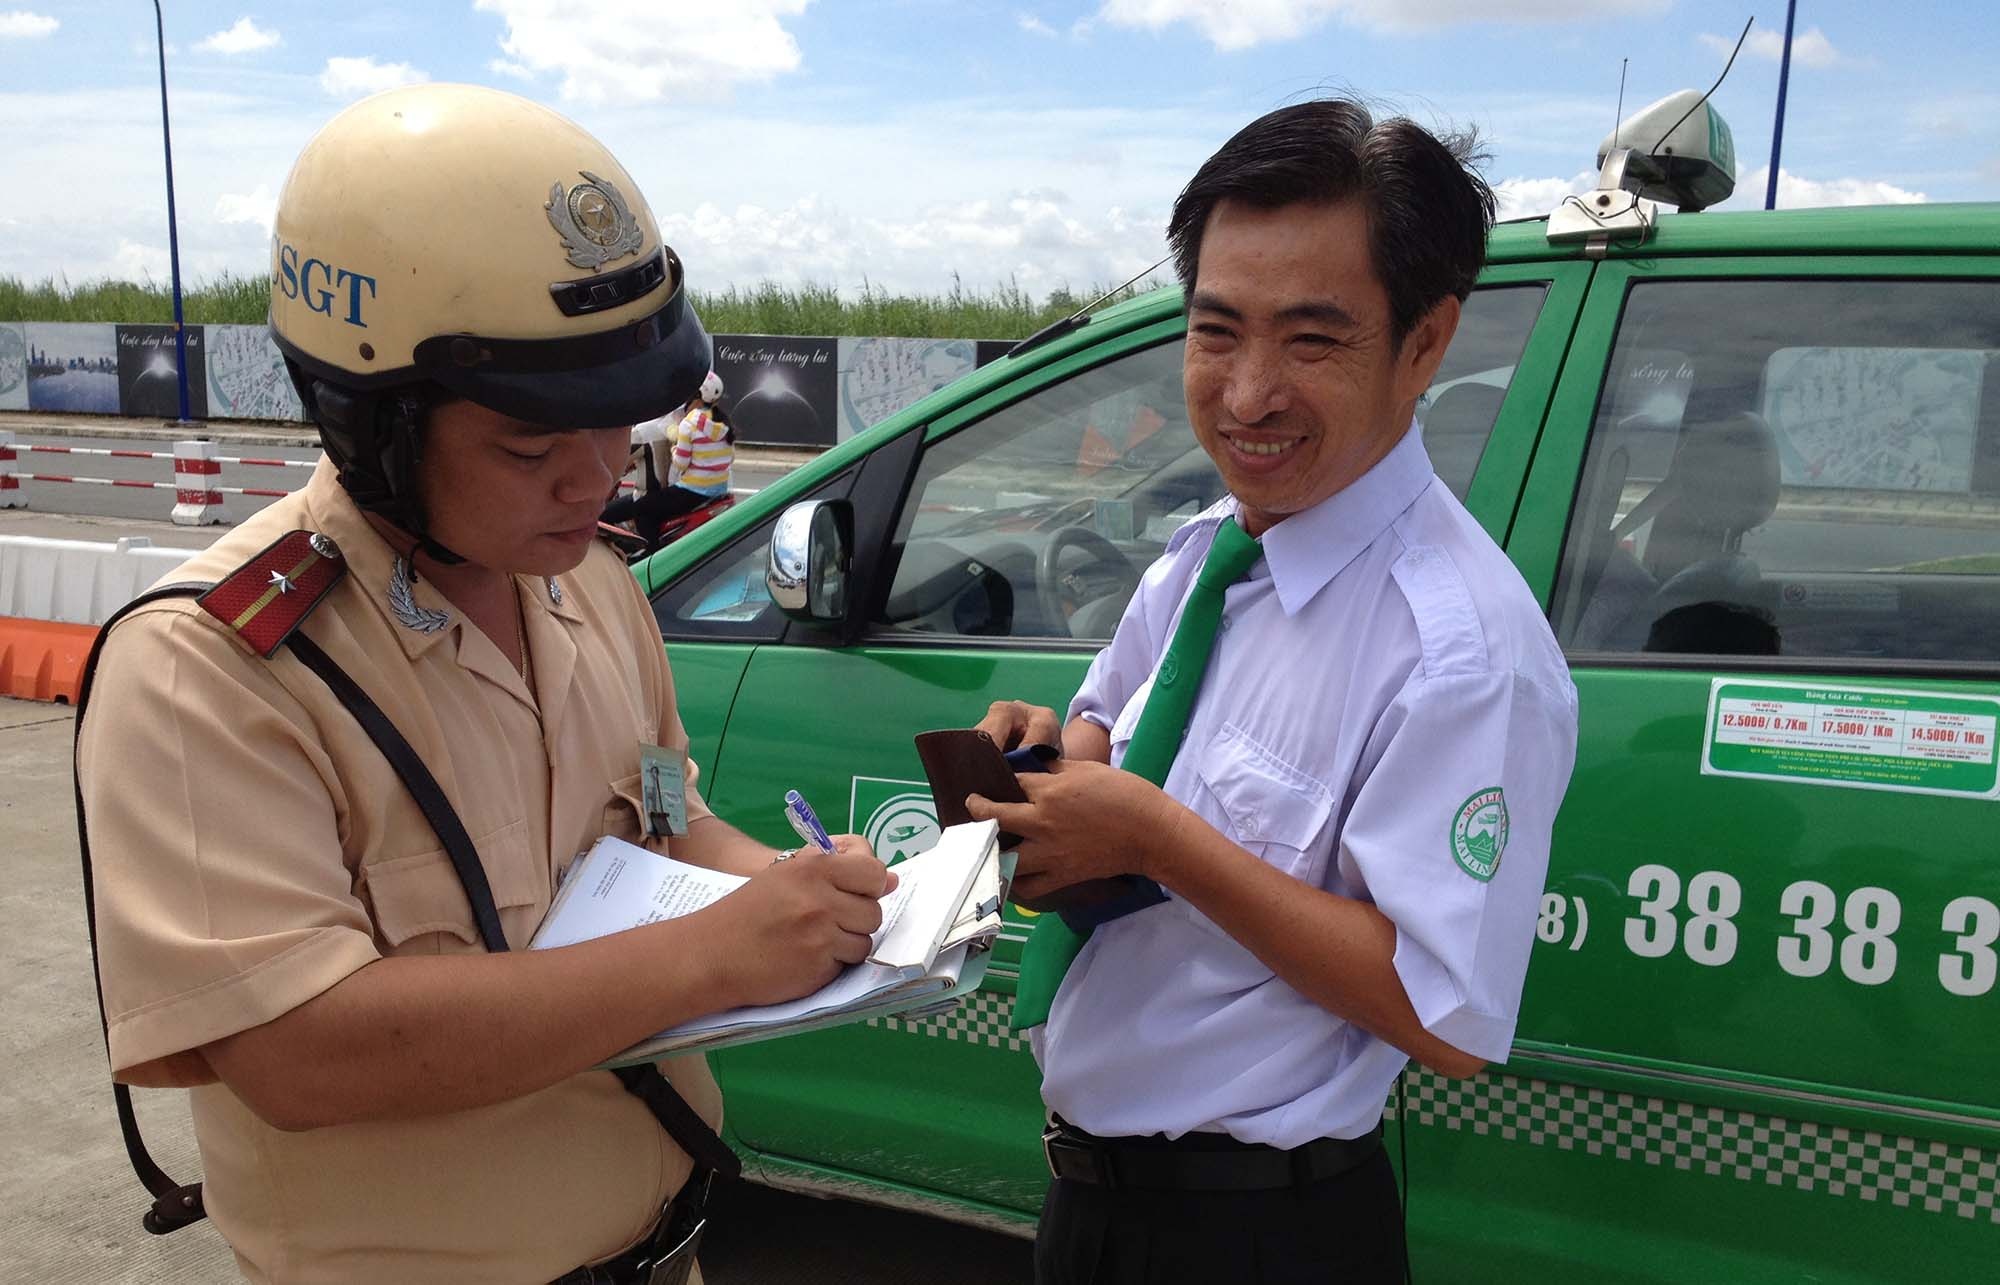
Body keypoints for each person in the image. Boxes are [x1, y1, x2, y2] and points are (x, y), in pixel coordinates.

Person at [74, 83, 894, 1284]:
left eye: (618, 430)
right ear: (371, 426)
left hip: (667, 1249)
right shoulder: (214, 666)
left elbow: (670, 815)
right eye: (530, 446)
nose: (596, 480)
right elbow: (297, 1049)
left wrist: (793, 891)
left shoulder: (591, 587)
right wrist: (719, 953)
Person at [968, 99, 1580, 1283]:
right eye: (1215, 331)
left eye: (1310, 341)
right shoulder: (1209, 549)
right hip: (1089, 1204)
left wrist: (1155, 837)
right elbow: (1108, 726)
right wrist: (1049, 764)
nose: (1247, 394)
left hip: (1260, 1232)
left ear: (1423, 344)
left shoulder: (1459, 651)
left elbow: (1445, 1015)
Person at [602, 372, 734, 548]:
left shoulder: (676, 425)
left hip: (686, 490)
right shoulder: (722, 423)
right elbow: (730, 457)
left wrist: (674, 449)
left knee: (637, 509)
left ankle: (653, 555)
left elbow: (680, 462)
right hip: (718, 489)